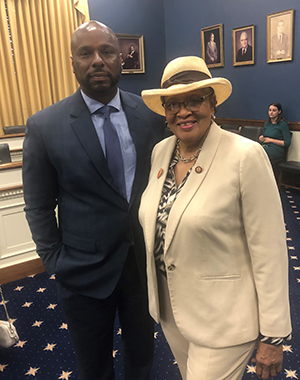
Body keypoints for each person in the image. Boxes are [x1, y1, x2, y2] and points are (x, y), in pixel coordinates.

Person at [22, 20, 166, 380]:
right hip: (82, 274)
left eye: (106, 51)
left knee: (142, 357)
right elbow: (38, 205)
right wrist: (55, 262)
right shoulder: (44, 126)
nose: (97, 60)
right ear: (72, 63)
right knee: (93, 365)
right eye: (86, 53)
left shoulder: (149, 115)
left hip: (141, 265)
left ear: (121, 59)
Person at [139, 56, 292, 380]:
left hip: (225, 318)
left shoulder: (245, 156)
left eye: (194, 100)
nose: (183, 111)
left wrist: (274, 335)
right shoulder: (161, 152)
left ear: (212, 103)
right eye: (173, 103)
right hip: (172, 309)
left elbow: (270, 250)